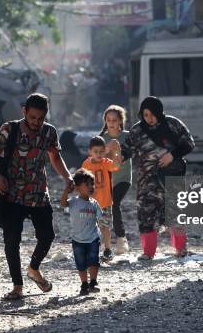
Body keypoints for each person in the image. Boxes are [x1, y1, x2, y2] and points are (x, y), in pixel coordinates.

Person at [0, 93, 74, 300]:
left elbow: (55, 156)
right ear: (24, 111)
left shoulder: (49, 132)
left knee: (47, 236)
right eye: (32, 117)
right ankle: (17, 286)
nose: (36, 122)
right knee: (12, 241)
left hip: (38, 193)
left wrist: (67, 176)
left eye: (40, 119)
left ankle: (33, 268)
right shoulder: (10, 129)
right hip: (12, 194)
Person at [123, 96, 195, 260]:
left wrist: (172, 155)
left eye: (152, 114)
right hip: (147, 180)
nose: (149, 119)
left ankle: (181, 249)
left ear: (159, 112)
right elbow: (127, 150)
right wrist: (116, 156)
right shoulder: (137, 130)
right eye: (145, 115)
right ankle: (148, 252)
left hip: (172, 176)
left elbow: (189, 143)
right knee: (146, 213)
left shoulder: (172, 124)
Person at [60, 168, 103, 296]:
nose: (91, 187)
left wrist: (105, 229)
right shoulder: (74, 202)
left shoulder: (94, 204)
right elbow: (63, 204)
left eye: (92, 184)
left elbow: (101, 219)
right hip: (77, 240)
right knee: (81, 264)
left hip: (93, 238)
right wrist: (66, 192)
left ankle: (93, 282)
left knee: (94, 261)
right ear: (78, 187)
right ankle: (84, 284)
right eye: (87, 184)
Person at [81, 136, 121, 261]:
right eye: (95, 152)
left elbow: (116, 166)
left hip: (105, 203)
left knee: (105, 227)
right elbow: (82, 180)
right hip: (90, 204)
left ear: (105, 151)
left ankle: (108, 249)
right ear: (90, 152)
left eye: (101, 151)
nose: (98, 154)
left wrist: (116, 149)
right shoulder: (86, 164)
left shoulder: (106, 163)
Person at [99, 105, 132, 255]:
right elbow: (95, 157)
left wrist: (117, 151)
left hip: (123, 179)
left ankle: (121, 239)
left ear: (120, 121)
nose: (111, 123)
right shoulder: (101, 138)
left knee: (114, 203)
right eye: (109, 120)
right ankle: (104, 242)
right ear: (105, 121)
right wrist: (105, 149)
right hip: (106, 180)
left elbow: (130, 153)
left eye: (115, 120)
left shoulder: (127, 136)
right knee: (102, 209)